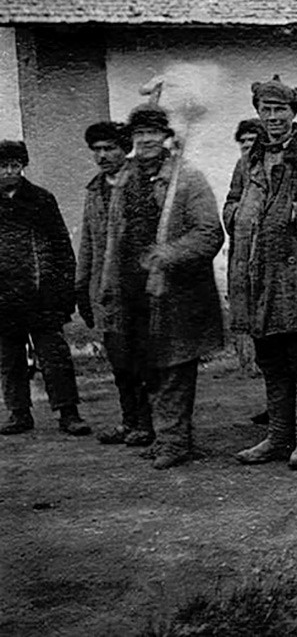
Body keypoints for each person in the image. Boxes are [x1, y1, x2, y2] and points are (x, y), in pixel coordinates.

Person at [97, 106, 226, 468]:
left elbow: (208, 234)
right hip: (135, 290)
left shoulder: (187, 179)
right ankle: (167, 433)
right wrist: (109, 285)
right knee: (147, 366)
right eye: (139, 134)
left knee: (173, 367)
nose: (146, 140)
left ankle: (174, 441)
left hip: (178, 292)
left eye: (153, 132)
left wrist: (168, 254)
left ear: (166, 137)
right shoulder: (126, 180)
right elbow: (114, 238)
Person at [226, 77, 297, 470]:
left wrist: (296, 213)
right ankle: (277, 436)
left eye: (280, 110)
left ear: (293, 112)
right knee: (270, 360)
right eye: (266, 110)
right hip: (257, 276)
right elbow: (233, 200)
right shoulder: (249, 159)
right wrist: (237, 216)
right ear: (258, 113)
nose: (273, 118)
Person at [0, 140, 91, 437]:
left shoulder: (41, 200)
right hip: (4, 297)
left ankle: (69, 413)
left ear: (23, 166)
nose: (9, 171)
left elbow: (62, 247)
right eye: (2, 166)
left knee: (55, 357)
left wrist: (65, 292)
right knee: (9, 359)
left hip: (42, 296)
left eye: (14, 165)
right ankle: (18, 413)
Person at [79, 122, 150, 444]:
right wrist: (82, 286)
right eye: (97, 149)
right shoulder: (95, 190)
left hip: (138, 288)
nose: (103, 155)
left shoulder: (140, 182)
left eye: (110, 148)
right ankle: (129, 420)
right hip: (106, 290)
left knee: (143, 361)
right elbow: (89, 244)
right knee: (120, 362)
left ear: (125, 149)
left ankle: (148, 425)